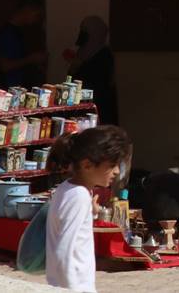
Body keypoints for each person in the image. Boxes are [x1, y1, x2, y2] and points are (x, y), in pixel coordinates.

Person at [45, 125, 132, 292]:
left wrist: (90, 213)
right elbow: (65, 248)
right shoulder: (79, 196)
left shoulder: (67, 189)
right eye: (112, 165)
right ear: (87, 165)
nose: (116, 171)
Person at [64, 17, 118, 126]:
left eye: (85, 31)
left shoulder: (104, 55)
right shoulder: (83, 52)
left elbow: (98, 83)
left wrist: (79, 66)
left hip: (99, 108)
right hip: (81, 106)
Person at [0, 0, 46, 87]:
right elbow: (5, 66)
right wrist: (31, 59)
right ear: (27, 10)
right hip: (9, 89)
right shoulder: (7, 33)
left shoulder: (21, 31)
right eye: (37, 15)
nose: (37, 19)